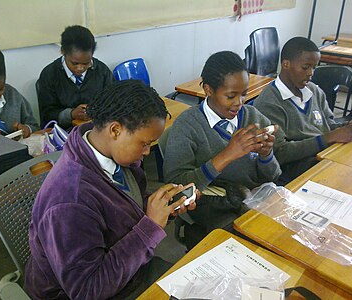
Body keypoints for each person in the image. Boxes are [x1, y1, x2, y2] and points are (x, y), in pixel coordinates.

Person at [25, 80, 197, 300]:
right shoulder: (70, 201)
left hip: (128, 269)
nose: (146, 152)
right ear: (115, 129)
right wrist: (150, 226)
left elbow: (120, 208)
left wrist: (162, 208)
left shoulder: (111, 154)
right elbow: (87, 291)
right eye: (144, 143)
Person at [161, 51, 281, 248]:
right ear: (208, 89)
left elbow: (274, 176)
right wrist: (227, 155)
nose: (239, 103)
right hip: (215, 207)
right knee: (247, 245)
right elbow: (176, 188)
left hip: (255, 200)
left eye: (244, 94)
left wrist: (266, 155)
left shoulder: (253, 116)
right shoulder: (188, 125)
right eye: (231, 96)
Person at [254, 37, 352, 182]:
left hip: (324, 153)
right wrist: (328, 138)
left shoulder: (314, 91)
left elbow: (328, 125)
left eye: (314, 67)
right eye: (305, 67)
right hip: (296, 167)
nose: (311, 73)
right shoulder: (269, 103)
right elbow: (279, 153)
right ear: (286, 64)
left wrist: (346, 127)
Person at [37, 25, 114, 128]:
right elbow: (46, 115)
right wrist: (71, 114)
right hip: (64, 132)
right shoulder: (50, 74)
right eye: (74, 63)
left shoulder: (101, 71)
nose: (80, 68)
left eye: (86, 63)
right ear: (63, 51)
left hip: (97, 128)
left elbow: (113, 101)